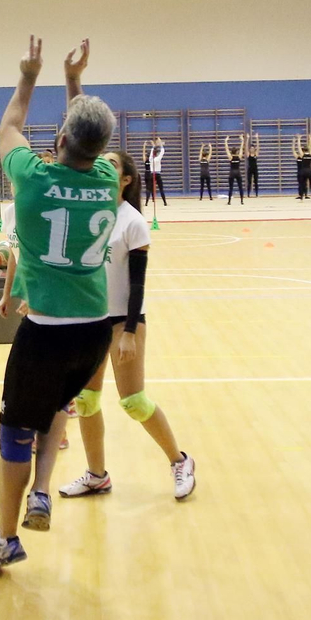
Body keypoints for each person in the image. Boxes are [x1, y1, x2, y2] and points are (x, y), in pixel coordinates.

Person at [0, 36, 118, 575]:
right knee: (60, 403)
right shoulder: (107, 179)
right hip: (95, 332)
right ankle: (42, 487)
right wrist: (72, 81)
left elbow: (10, 125)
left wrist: (29, 75)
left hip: (45, 331)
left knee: (14, 434)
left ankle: (6, 538)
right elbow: (85, 135)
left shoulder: (32, 178)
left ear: (59, 138)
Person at [57, 149, 195, 502]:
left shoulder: (133, 222)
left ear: (126, 179)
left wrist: (130, 332)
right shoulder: (88, 214)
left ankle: (180, 461)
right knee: (86, 400)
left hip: (124, 322)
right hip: (90, 320)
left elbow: (137, 284)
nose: (102, 165)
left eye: (112, 163)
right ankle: (97, 476)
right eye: (100, 161)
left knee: (133, 401)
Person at [143, 136, 167, 207]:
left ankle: (146, 202)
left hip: (151, 174)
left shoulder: (150, 159)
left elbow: (151, 153)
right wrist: (160, 143)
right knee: (161, 188)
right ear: (156, 154)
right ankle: (165, 202)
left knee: (148, 188)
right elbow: (162, 152)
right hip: (158, 174)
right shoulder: (158, 158)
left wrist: (153, 146)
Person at [223, 134, 245, 204]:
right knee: (240, 187)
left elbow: (226, 149)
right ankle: (242, 201)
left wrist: (226, 141)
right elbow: (241, 148)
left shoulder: (230, 157)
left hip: (232, 173)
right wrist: (242, 140)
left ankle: (229, 201)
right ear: (237, 152)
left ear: (231, 152)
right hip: (238, 172)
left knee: (231, 187)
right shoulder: (239, 157)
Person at [294, 134, 311, 199]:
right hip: (309, 171)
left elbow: (299, 147)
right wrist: (310, 138)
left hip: (303, 171)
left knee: (302, 184)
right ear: (308, 150)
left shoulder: (302, 155)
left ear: (303, 151)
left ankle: (301, 198)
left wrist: (299, 139)